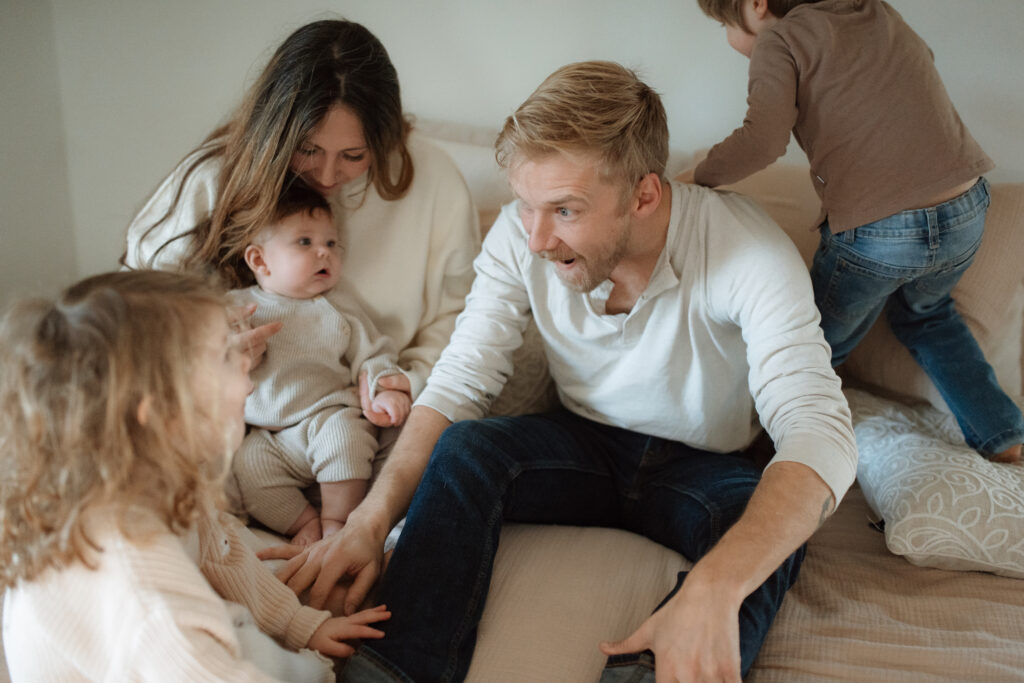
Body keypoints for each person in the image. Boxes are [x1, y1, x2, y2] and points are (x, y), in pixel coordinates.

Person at [265, 61, 858, 682]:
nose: (537, 239)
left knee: (771, 532)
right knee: (468, 448)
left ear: (644, 195)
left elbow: (819, 429)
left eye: (565, 211)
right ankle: (395, 671)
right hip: (581, 443)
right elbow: (463, 376)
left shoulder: (749, 254)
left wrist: (714, 586)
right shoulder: (523, 238)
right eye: (525, 205)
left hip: (708, 467)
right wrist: (369, 521)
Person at [0, 270, 391, 681]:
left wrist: (301, 625)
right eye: (225, 356)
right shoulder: (143, 593)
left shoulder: (155, 478)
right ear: (164, 416)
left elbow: (223, 554)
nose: (247, 359)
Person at [683, 0, 1024, 463]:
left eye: (725, 22)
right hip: (964, 207)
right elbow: (922, 60)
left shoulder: (778, 40)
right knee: (929, 318)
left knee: (805, 344)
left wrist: (696, 177)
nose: (728, 35)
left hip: (879, 234)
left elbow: (762, 141)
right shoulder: (874, 8)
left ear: (756, 5)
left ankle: (749, 451)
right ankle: (1004, 435)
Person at [122, 19, 480, 411]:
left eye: (354, 156)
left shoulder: (433, 176)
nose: (327, 176)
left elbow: (462, 311)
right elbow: (140, 306)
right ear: (276, 134)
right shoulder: (214, 177)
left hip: (374, 407)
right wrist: (203, 347)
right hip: (238, 406)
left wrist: (412, 378)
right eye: (308, 150)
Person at [232, 179, 411, 546]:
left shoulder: (337, 306)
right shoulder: (237, 307)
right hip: (269, 436)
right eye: (305, 242)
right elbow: (200, 349)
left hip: (327, 414)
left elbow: (374, 353)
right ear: (259, 260)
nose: (324, 253)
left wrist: (384, 390)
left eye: (331, 243)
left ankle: (337, 524)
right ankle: (303, 524)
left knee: (345, 441)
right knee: (248, 467)